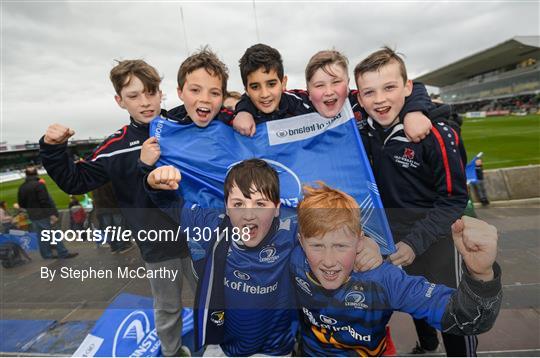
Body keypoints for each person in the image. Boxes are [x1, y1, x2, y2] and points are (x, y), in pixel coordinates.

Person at [38, 59, 197, 357]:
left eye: (150, 92)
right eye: (134, 96)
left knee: (214, 300)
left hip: (199, 237)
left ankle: (220, 347)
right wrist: (52, 148)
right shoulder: (115, 147)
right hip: (157, 246)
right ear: (119, 101)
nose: (145, 102)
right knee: (167, 308)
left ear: (161, 93)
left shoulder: (186, 125)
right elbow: (74, 181)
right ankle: (173, 353)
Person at [144, 159, 382, 356]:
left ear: (277, 207)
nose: (248, 214)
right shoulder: (211, 225)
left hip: (274, 350)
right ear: (226, 207)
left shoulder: (292, 232)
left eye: (260, 203)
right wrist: (153, 182)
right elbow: (171, 205)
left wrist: (368, 242)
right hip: (221, 346)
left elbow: (336, 226)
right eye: (238, 203)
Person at [354, 47, 474, 355]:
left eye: (389, 87)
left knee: (453, 310)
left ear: (407, 88)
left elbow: (454, 200)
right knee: (411, 298)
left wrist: (414, 243)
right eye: (369, 92)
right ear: (359, 96)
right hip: (392, 236)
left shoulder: (436, 134)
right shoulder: (360, 129)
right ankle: (426, 343)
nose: (379, 99)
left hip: (438, 236)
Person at [291, 182, 502, 356]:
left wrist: (481, 274)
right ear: (300, 241)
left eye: (341, 246)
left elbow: (466, 319)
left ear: (359, 242)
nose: (329, 261)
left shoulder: (383, 278)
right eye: (317, 246)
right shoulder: (294, 258)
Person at [232, 46, 433, 142]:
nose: (328, 92)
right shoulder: (299, 102)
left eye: (336, 82)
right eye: (319, 85)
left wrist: (414, 112)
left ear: (348, 84)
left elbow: (411, 89)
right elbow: (258, 97)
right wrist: (243, 111)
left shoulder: (360, 101)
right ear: (308, 91)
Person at [17, 166, 78, 259]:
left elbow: (21, 203)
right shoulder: (39, 185)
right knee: (55, 234)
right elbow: (44, 201)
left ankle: (46, 255)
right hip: (44, 215)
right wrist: (52, 214)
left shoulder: (22, 187)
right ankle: (63, 252)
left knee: (41, 237)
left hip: (33, 216)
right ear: (36, 173)